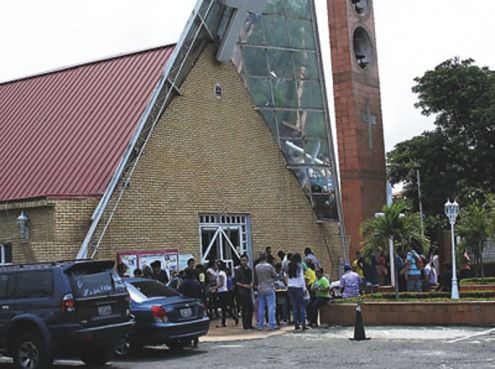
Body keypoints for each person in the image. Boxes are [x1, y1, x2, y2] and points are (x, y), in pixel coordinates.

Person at [178, 268, 203, 347]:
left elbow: (179, 293)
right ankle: (195, 340)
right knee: (195, 321)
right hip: (195, 304)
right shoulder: (196, 283)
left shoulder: (184, 283)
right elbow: (200, 294)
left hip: (185, 304)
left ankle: (188, 341)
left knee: (186, 322)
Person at [210, 260, 238, 328]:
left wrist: (213, 288)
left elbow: (221, 284)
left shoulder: (221, 273)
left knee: (224, 307)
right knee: (224, 307)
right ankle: (233, 318)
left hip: (223, 292)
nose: (215, 266)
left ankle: (225, 322)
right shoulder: (219, 273)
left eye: (216, 265)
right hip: (221, 291)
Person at [254, 252, 277, 330]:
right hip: (269, 287)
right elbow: (274, 275)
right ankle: (272, 324)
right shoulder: (269, 266)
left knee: (261, 307)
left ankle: (260, 324)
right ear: (266, 257)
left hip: (260, 287)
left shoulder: (257, 267)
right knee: (271, 306)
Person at [287, 253, 307, 330]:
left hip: (290, 287)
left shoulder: (289, 266)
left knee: (294, 305)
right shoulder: (299, 266)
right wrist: (304, 288)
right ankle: (303, 324)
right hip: (298, 287)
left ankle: (296, 324)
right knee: (302, 306)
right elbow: (301, 279)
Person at [234, 254, 254, 330]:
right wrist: (244, 285)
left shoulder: (249, 270)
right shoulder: (238, 270)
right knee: (244, 309)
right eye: (242, 260)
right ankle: (245, 325)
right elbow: (236, 282)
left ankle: (250, 323)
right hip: (241, 292)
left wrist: (251, 284)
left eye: (245, 260)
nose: (243, 262)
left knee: (250, 308)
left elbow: (251, 279)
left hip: (248, 291)